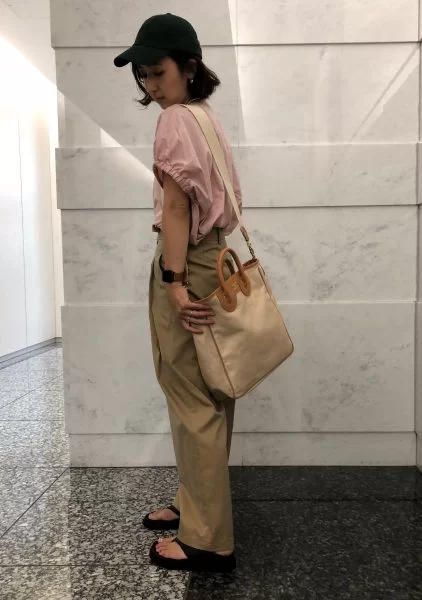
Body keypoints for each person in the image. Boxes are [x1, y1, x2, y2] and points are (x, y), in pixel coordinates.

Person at [114, 13, 242, 573]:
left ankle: (208, 540)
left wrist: (172, 281)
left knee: (191, 397)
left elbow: (175, 205)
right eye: (143, 74)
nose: (150, 84)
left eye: (157, 71)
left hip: (188, 262)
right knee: (211, 394)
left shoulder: (173, 121)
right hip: (215, 259)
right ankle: (196, 504)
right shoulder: (204, 117)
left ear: (189, 67)